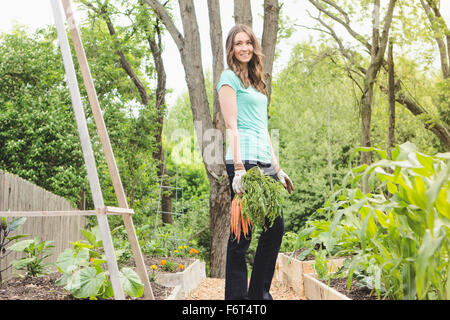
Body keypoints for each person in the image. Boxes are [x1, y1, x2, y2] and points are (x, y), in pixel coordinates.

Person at [217, 24, 294, 300]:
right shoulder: (229, 78)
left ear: (253, 46)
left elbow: (264, 129)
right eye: (238, 43)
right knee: (242, 233)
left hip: (264, 161)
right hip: (244, 162)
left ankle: (258, 295)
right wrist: (238, 169)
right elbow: (231, 123)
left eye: (248, 42)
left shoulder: (259, 83)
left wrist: (279, 168)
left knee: (275, 227)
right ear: (231, 48)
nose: (244, 48)